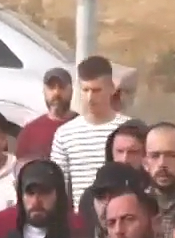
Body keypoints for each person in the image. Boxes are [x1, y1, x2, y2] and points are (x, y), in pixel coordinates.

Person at [49, 55, 133, 206]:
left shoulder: (129, 129)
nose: (90, 97)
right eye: (85, 90)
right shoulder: (64, 134)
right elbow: (58, 188)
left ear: (112, 88)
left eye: (96, 90)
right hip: (82, 219)